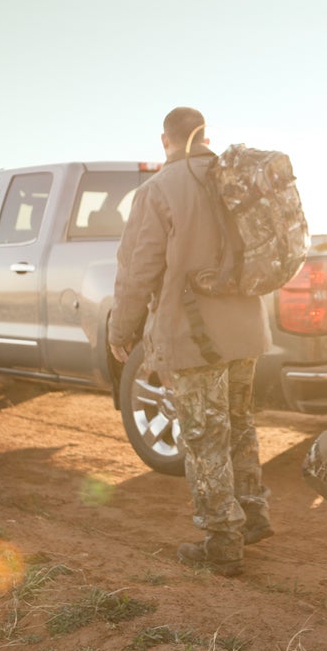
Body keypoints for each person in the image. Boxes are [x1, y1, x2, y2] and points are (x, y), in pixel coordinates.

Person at [109, 106, 273, 578]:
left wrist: (122, 330)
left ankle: (223, 540)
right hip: (246, 327)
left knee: (203, 435)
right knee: (240, 422)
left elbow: (139, 269)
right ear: (204, 136)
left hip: (193, 332)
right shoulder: (234, 179)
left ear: (166, 141)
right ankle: (253, 514)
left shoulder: (158, 190)